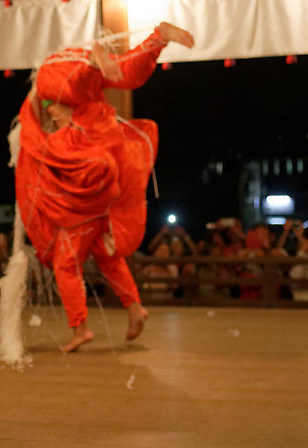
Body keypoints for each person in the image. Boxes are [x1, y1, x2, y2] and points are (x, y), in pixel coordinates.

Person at [15, 21, 195, 352]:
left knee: (65, 263)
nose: (51, 111)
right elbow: (123, 74)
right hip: (105, 198)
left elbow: (54, 149)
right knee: (106, 254)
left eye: (54, 106)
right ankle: (135, 307)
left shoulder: (73, 133)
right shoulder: (97, 120)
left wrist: (36, 144)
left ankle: (80, 327)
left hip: (85, 208)